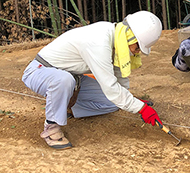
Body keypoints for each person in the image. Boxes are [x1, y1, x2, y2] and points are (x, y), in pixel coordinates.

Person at [22, 11, 164, 150]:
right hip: (40, 72)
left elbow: (118, 75)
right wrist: (142, 109)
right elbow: (111, 88)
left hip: (73, 78)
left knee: (112, 103)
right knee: (64, 80)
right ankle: (51, 127)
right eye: (138, 47)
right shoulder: (99, 42)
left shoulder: (116, 37)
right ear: (130, 37)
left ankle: (67, 107)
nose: (137, 52)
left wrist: (133, 102)